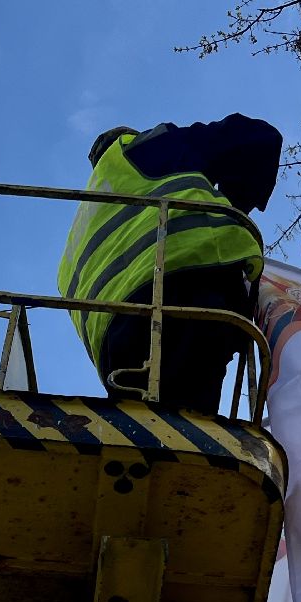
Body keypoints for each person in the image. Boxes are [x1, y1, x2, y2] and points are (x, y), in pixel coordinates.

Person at [57, 115, 282, 413]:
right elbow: (259, 137)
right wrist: (231, 206)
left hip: (118, 352)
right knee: (196, 428)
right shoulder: (142, 149)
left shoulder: (75, 236)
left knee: (162, 436)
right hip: (189, 292)